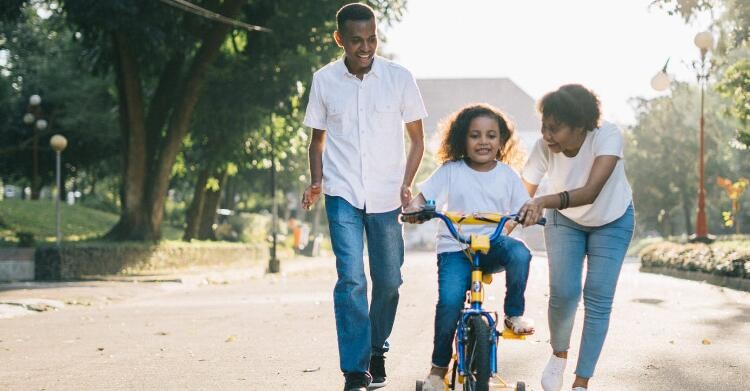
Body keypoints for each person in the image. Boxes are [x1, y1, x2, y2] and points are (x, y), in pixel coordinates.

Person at [300, 3, 427, 390]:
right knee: (352, 280)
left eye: (371, 38)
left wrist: (407, 182)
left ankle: (376, 350)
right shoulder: (324, 80)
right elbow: (316, 140)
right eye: (356, 40)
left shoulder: (399, 78)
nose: (366, 47)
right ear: (340, 39)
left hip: (388, 195)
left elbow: (418, 140)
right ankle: (355, 370)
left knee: (389, 281)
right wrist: (317, 180)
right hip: (342, 193)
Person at [403, 104, 535, 391]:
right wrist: (415, 208)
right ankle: (438, 371)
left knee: (521, 252)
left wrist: (529, 213)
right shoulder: (450, 171)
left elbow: (523, 207)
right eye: (475, 135)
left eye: (491, 135)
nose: (483, 142)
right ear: (463, 139)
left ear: (501, 141)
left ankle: (513, 314)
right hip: (456, 248)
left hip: (493, 245)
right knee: (450, 303)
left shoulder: (508, 175)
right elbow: (422, 198)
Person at [517, 84, 635, 391]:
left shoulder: (607, 135)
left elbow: (591, 192)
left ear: (580, 125)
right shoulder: (544, 147)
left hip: (612, 219)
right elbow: (521, 194)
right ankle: (558, 355)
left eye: (555, 129)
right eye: (544, 126)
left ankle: (581, 382)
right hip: (564, 221)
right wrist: (497, 230)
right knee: (564, 292)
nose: (546, 135)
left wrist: (542, 201)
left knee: (598, 295)